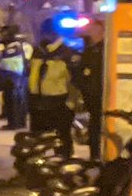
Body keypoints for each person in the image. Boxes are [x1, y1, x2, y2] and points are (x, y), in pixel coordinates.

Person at [29, 18, 80, 157]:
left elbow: (75, 82)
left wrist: (70, 103)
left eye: (46, 33)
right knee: (37, 140)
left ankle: (63, 167)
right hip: (37, 101)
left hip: (59, 103)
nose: (44, 36)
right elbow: (31, 75)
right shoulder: (37, 51)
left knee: (61, 140)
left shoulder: (68, 54)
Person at [78, 24, 105, 161]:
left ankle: (99, 155)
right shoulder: (90, 51)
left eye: (93, 29)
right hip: (92, 98)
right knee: (94, 128)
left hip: (102, 97)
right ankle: (94, 156)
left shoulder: (105, 50)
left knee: (99, 127)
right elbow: (82, 74)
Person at [0, 25, 30, 130]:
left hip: (13, 76)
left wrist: (0, 71)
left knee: (13, 100)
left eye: (3, 34)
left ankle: (14, 123)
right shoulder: (21, 44)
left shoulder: (13, 46)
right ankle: (19, 122)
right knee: (17, 100)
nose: (1, 36)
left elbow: (7, 63)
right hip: (20, 76)